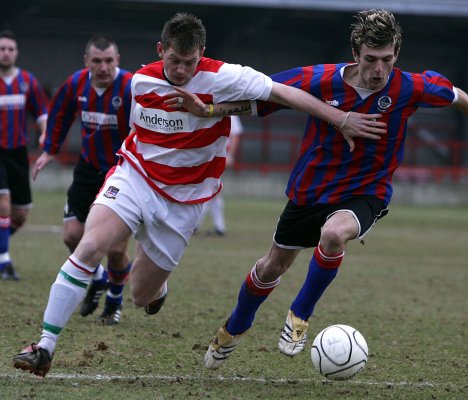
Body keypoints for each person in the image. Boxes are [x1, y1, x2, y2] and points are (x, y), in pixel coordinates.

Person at [12, 12, 385, 377]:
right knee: (89, 245)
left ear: (201, 54)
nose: (181, 71)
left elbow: (286, 93)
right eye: (174, 61)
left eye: (189, 63)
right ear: (161, 50)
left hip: (184, 201)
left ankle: (157, 285)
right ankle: (44, 345)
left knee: (141, 295)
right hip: (135, 177)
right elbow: (133, 134)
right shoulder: (140, 82)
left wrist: (340, 119)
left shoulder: (226, 76)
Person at [167, 9, 468, 369]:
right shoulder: (320, 80)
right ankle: (233, 329)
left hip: (366, 191)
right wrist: (210, 110)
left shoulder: (409, 86)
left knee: (334, 234)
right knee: (270, 268)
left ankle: (299, 316)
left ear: (397, 55)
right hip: (310, 190)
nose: (379, 70)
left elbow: (454, 94)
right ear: (356, 53)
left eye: (387, 60)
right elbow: (262, 98)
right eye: (371, 59)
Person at [32, 34, 133, 325]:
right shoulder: (76, 83)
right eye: (97, 61)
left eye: (109, 61)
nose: (103, 67)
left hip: (121, 174)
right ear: (86, 61)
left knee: (115, 249)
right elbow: (60, 114)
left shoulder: (130, 87)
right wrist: (49, 149)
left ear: (118, 61)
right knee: (72, 236)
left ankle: (114, 302)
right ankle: (98, 277)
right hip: (88, 169)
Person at [0, 30, 48, 281]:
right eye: (2, 48)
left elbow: (41, 113)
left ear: (16, 52)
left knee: (20, 215)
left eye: (10, 48)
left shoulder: (27, 81)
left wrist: (44, 134)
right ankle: (4, 263)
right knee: (3, 203)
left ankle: (1, 249)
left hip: (18, 154)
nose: (6, 53)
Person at [196, 115, 244, 236]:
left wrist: (231, 155)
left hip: (218, 155)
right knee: (213, 190)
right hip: (211, 155)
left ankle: (196, 225)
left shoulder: (230, 112)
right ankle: (219, 227)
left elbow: (235, 135)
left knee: (209, 188)